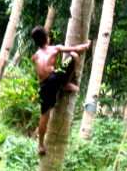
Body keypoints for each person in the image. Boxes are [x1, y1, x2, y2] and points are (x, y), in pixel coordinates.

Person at [30, 26, 90, 155]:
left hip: (44, 86)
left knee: (44, 115)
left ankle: (41, 145)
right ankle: (66, 83)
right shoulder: (54, 48)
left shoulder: (34, 57)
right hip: (56, 78)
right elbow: (76, 49)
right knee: (74, 56)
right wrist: (87, 44)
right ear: (47, 39)